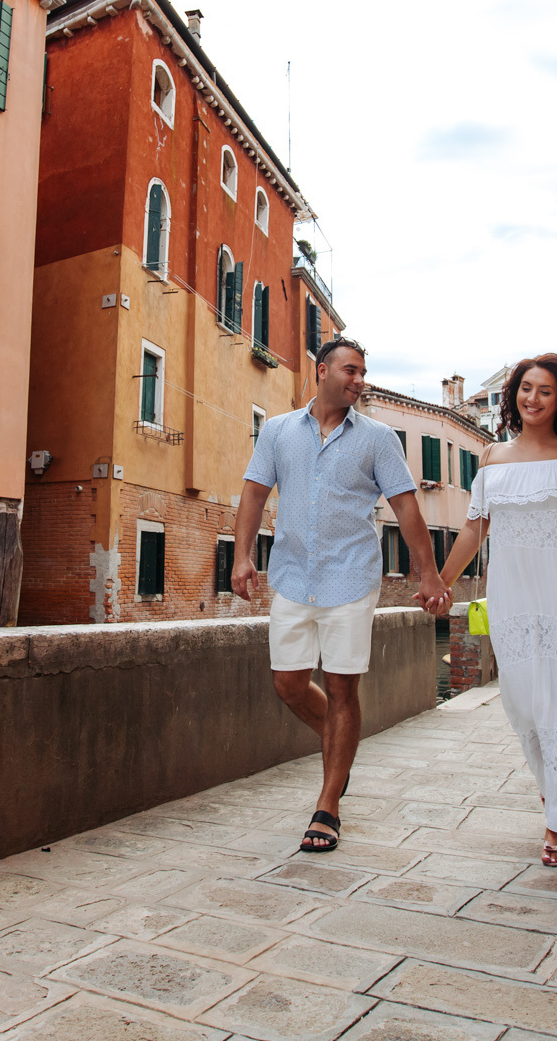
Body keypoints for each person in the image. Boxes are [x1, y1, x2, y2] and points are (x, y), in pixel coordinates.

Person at [233, 337, 448, 853]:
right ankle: (341, 753)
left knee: (343, 690)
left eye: (364, 373)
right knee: (287, 684)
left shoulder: (377, 439)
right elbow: (254, 494)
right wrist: (243, 556)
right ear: (322, 370)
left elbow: (406, 506)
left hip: (351, 578)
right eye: (351, 371)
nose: (360, 380)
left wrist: (429, 574)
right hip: (291, 577)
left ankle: (328, 804)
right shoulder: (279, 431)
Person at [436, 354, 557, 866]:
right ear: (513, 395)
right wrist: (442, 583)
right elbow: (476, 529)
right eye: (526, 388)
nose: (533, 398)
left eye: (545, 391)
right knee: (525, 706)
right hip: (513, 599)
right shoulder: (492, 459)